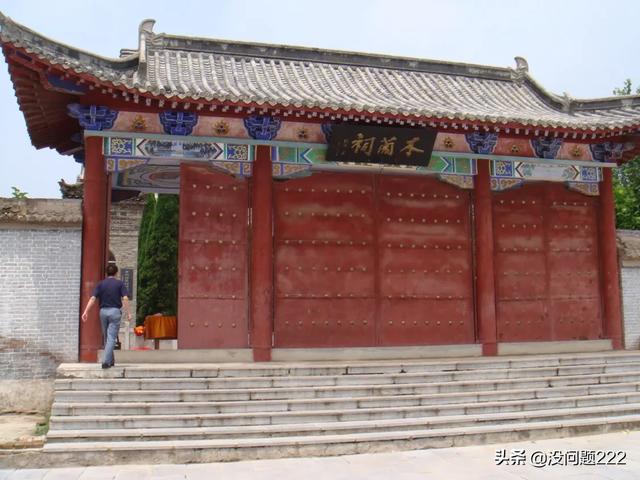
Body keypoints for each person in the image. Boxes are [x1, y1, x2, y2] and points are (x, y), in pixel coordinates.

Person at [81, 264, 132, 369]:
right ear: (116, 273)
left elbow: (93, 298)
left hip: (103, 312)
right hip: (115, 312)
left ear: (106, 273)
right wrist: (128, 313)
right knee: (111, 337)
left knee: (107, 338)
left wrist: (86, 311)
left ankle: (111, 360)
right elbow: (125, 298)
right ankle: (105, 361)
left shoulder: (101, 284)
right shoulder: (119, 284)